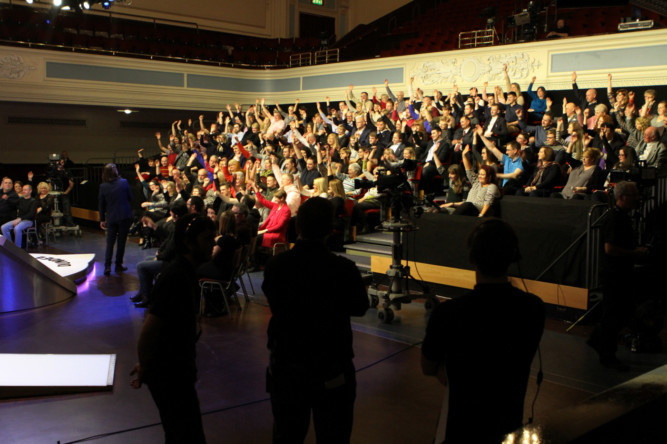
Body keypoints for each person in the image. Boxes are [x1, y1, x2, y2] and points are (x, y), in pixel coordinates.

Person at [421, 219, 545, 444]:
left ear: (472, 258)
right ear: (513, 257)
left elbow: (428, 366)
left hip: (460, 428)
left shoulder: (450, 312)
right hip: (508, 426)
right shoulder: (533, 308)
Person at [263, 197, 368, 443]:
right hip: (332, 366)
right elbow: (360, 307)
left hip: (287, 365)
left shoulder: (277, 265)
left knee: (286, 436)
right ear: (331, 229)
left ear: (298, 227)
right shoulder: (343, 269)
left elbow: (273, 300)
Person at [130, 214, 216, 443]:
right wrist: (146, 365)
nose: (212, 244)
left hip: (177, 370)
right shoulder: (176, 277)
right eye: (207, 239)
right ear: (189, 242)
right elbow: (149, 330)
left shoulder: (186, 273)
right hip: (170, 374)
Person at [587, 181, 648, 371]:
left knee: (618, 311)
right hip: (614, 273)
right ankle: (607, 354)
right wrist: (635, 252)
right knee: (614, 314)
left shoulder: (621, 217)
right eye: (634, 195)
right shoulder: (615, 219)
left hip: (618, 271)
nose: (638, 199)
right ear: (621, 198)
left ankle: (597, 339)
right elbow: (610, 248)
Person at [99, 164, 134, 276]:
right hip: (124, 216)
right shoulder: (123, 182)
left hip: (111, 217)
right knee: (121, 242)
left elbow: (101, 205)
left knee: (110, 242)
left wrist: (101, 219)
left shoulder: (103, 186)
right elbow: (131, 198)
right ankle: (118, 265)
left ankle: (107, 266)